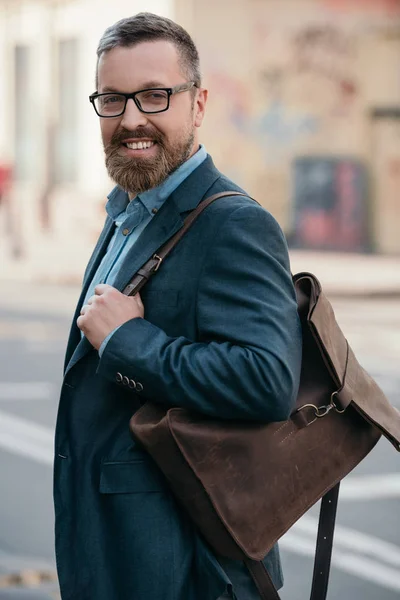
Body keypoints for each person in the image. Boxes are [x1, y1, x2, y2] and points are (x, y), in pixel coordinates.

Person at [54, 12, 302, 600]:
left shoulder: (235, 224)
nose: (131, 119)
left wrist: (130, 344)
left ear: (198, 103)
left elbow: (267, 381)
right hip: (118, 551)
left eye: (155, 95)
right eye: (112, 100)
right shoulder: (129, 208)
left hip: (187, 569)